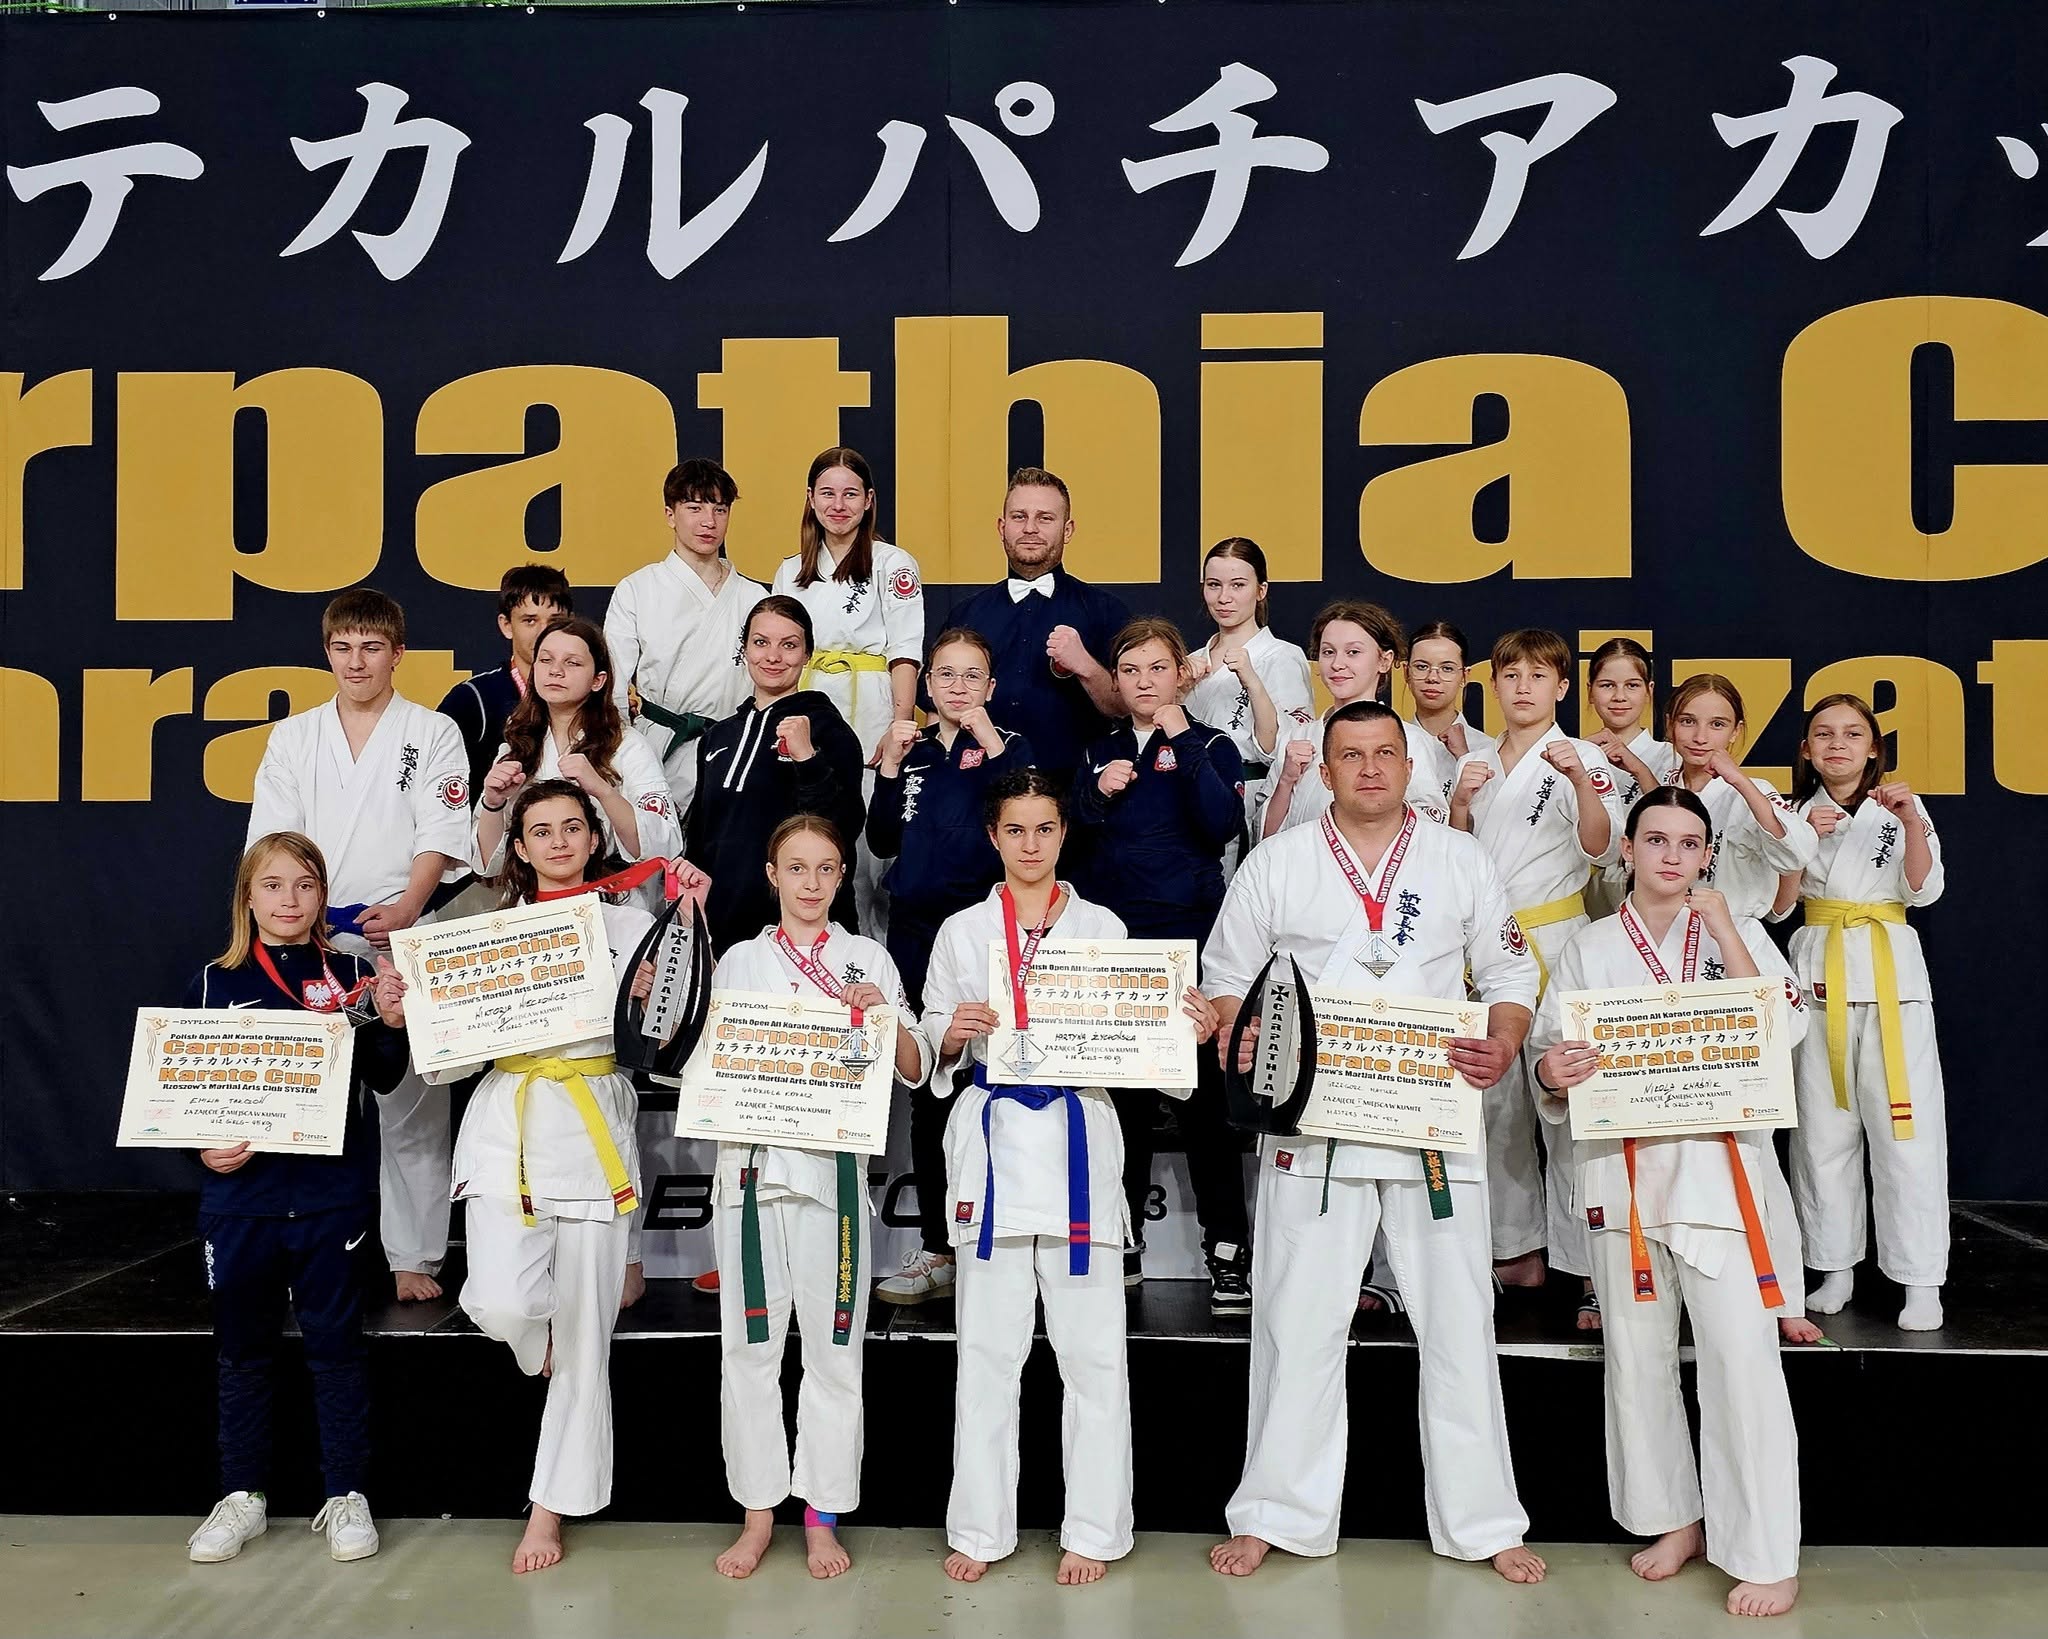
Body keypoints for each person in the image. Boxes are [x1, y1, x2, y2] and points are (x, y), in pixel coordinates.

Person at [1205, 702, 1546, 1587]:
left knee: (1460, 1321)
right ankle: (1275, 1512)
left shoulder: (1459, 858)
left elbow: (1511, 970)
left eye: (1384, 752)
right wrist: (1242, 1028)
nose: (1368, 768)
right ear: (1323, 771)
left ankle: (1484, 1520)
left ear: (1408, 764)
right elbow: (1227, 977)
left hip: (1429, 1124)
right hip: (1313, 1122)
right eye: (1350, 755)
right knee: (1295, 1322)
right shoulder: (1279, 862)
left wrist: (1504, 1039)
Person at [922, 768, 1218, 1586]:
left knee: (1093, 1357)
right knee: (986, 1354)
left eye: (1045, 828)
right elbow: (931, 1039)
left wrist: (1180, 1028)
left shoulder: (1102, 925)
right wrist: (951, 1033)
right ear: (993, 836)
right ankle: (980, 1527)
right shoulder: (960, 931)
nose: (1031, 843)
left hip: (1078, 1138)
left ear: (1064, 833)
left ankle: (1093, 1527)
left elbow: (1136, 1036)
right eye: (1015, 829)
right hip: (991, 1139)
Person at [1531, 787, 1806, 1619]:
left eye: (1690, 843)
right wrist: (1551, 1072)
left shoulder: (1739, 929)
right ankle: (1673, 1518)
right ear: (1629, 849)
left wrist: (1726, 929)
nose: (1672, 856)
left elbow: (1785, 1030)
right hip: (1624, 1176)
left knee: (1742, 1363)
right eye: (1656, 839)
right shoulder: (1589, 945)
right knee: (1637, 1361)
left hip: (1721, 1178)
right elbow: (1547, 1048)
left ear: (1708, 856)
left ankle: (1765, 1552)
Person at [424, 780, 691, 1574]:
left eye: (573, 827)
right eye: (541, 830)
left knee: (584, 1343)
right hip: (508, 1118)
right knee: (501, 1299)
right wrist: (415, 1011)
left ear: (593, 839)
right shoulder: (488, 928)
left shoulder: (631, 924)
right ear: (520, 847)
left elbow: (669, 1035)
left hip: (593, 1123)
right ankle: (533, 1338)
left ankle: (549, 1507)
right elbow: (445, 1057)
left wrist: (649, 994)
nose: (560, 841)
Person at [709, 816, 933, 1582]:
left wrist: (882, 1015)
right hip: (750, 1175)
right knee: (749, 1350)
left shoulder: (867, 958)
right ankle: (757, 1513)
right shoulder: (739, 961)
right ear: (772, 874)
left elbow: (914, 1065)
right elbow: (701, 1060)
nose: (811, 882)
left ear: (843, 875)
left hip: (833, 1179)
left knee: (834, 1351)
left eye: (827, 867)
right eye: (797, 867)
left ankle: (821, 1514)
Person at [183, 832, 408, 1566]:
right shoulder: (212, 982)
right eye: (273, 885)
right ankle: (242, 1495)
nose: (289, 899)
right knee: (242, 1354)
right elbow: (179, 1091)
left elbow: (384, 1077)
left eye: (305, 885)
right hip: (240, 1203)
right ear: (248, 896)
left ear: (321, 896)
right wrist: (200, 1148)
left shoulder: (352, 975)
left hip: (329, 1198)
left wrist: (392, 1025)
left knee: (336, 1350)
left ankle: (346, 1493)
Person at [246, 589, 469, 1302]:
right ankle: (297, 1248)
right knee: (305, 1098)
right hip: (309, 934)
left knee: (412, 1102)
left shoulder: (432, 731)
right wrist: (303, 916)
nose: (356, 661)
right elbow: (273, 845)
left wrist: (406, 907)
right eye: (343, 648)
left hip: (403, 932)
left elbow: (440, 832)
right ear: (327, 652)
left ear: (397, 653)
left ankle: (414, 1254)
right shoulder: (293, 738)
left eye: (371, 647)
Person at [1071, 618, 1251, 1307]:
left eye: (1156, 668)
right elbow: (1068, 834)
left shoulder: (1212, 744)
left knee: (1205, 1104)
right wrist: (1096, 794)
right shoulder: (1100, 748)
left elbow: (1222, 824)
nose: (1144, 682)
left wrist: (1181, 735)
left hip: (1189, 943)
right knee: (1122, 1104)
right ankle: (1123, 1239)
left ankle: (1227, 1248)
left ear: (1182, 673)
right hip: (1116, 945)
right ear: (1115, 681)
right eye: (1130, 670)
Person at [1448, 627, 1626, 1320]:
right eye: (1511, 675)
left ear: (1561, 687)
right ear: (1492, 684)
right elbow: (1455, 863)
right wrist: (1460, 807)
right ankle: (1516, 1254)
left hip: (1559, 938)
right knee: (1497, 1108)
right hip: (1489, 948)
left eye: (1538, 675)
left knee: (1574, 1106)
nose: (1523, 687)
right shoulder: (1475, 762)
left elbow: (1603, 848)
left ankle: (1592, 1269)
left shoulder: (1582, 756)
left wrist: (1580, 779)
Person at [865, 628, 1033, 1306]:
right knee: (929, 1084)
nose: (958, 687)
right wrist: (887, 765)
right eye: (946, 675)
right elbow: (881, 839)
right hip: (914, 931)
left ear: (991, 686)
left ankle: (1013, 1240)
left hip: (989, 933)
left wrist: (989, 741)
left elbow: (1028, 812)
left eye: (972, 675)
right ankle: (939, 1245)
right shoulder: (913, 750)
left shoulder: (1010, 746)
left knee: (1004, 1078)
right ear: (927, 684)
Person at [1656, 674, 1824, 1346]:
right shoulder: (1661, 790)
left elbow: (1796, 852)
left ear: (1738, 732)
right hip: (1665, 955)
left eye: (1718, 724)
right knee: (1669, 1133)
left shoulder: (1751, 791)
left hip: (1736, 947)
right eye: (1689, 721)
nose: (1702, 736)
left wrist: (1741, 780)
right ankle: (1677, 1288)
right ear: (1671, 726)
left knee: (1752, 1141)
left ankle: (1782, 1294)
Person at [1786, 695, 1949, 1332]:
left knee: (1906, 1132)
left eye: (1853, 734)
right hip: (1819, 976)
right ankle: (1834, 1268)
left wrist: (1910, 822)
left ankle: (1921, 1278)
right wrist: (1802, 839)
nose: (1838, 745)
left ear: (1874, 747)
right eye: (1823, 734)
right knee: (1822, 1135)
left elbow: (1924, 889)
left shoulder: (1899, 808)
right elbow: (1777, 905)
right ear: (1806, 750)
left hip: (1890, 981)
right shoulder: (1795, 813)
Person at [770, 447, 927, 936]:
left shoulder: (892, 564)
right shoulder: (790, 570)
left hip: (872, 706)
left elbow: (905, 651)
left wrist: (898, 725)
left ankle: (877, 960)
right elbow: (778, 651)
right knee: (811, 833)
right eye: (828, 493)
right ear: (810, 498)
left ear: (869, 500)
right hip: (809, 706)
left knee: (871, 855)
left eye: (851, 494)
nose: (838, 505)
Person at [689, 596, 866, 953]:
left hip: (804, 934)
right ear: (744, 650)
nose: (772, 656)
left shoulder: (828, 730)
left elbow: (844, 828)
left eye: (788, 645)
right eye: (761, 642)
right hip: (724, 932)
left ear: (807, 654)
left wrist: (807, 758)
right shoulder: (717, 737)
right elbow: (700, 837)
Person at [939, 467, 1131, 788]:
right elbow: (938, 712)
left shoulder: (1106, 611)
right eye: (1019, 517)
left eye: (1045, 518)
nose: (1030, 528)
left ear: (1067, 530)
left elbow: (1129, 708)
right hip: (979, 791)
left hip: (1078, 793)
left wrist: (1085, 666)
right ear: (1002, 527)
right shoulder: (966, 614)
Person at [472, 615, 682, 897]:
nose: (555, 671)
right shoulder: (516, 746)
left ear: (598, 680)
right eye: (545, 660)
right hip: (535, 906)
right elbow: (490, 865)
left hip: (613, 901)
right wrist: (493, 803)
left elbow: (663, 846)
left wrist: (603, 791)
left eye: (572, 663)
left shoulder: (627, 746)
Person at [605, 458, 765, 811]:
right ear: (670, 514)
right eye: (695, 508)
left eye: (720, 509)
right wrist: (621, 754)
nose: (709, 521)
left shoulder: (755, 597)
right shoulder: (637, 589)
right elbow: (612, 686)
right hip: (659, 744)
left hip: (736, 746)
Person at [1260, 601, 1448, 839]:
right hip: (1303, 862)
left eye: (1353, 652)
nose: (1337, 664)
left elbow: (1433, 822)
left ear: (1384, 661)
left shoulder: (1411, 739)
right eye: (1328, 652)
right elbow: (1265, 836)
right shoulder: (1297, 738)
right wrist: (1286, 780)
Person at [1181, 538, 1313, 871]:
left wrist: (1252, 680)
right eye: (1214, 585)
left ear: (1261, 590)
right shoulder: (1191, 661)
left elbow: (1283, 748)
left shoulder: (1282, 656)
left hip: (1247, 793)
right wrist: (1178, 690)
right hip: (1187, 792)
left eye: (1238, 585)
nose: (1224, 597)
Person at [438, 565, 575, 801]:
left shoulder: (592, 696)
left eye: (555, 620)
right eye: (530, 621)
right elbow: (436, 786)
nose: (544, 632)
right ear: (506, 625)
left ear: (571, 624)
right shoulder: (472, 700)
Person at [1581, 637, 1670, 921]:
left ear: (1649, 690)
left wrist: (1640, 770)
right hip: (1581, 899)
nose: (1619, 696)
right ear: (1590, 691)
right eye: (1607, 685)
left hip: (1649, 898)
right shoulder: (1574, 755)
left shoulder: (1670, 757)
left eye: (1632, 685)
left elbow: (1676, 825)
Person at [1404, 618, 1476, 800]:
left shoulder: (1487, 749)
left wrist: (1464, 757)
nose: (1433, 678)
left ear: (1464, 676)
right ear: (1406, 672)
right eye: (1421, 667)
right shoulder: (1389, 744)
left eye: (1447, 668)